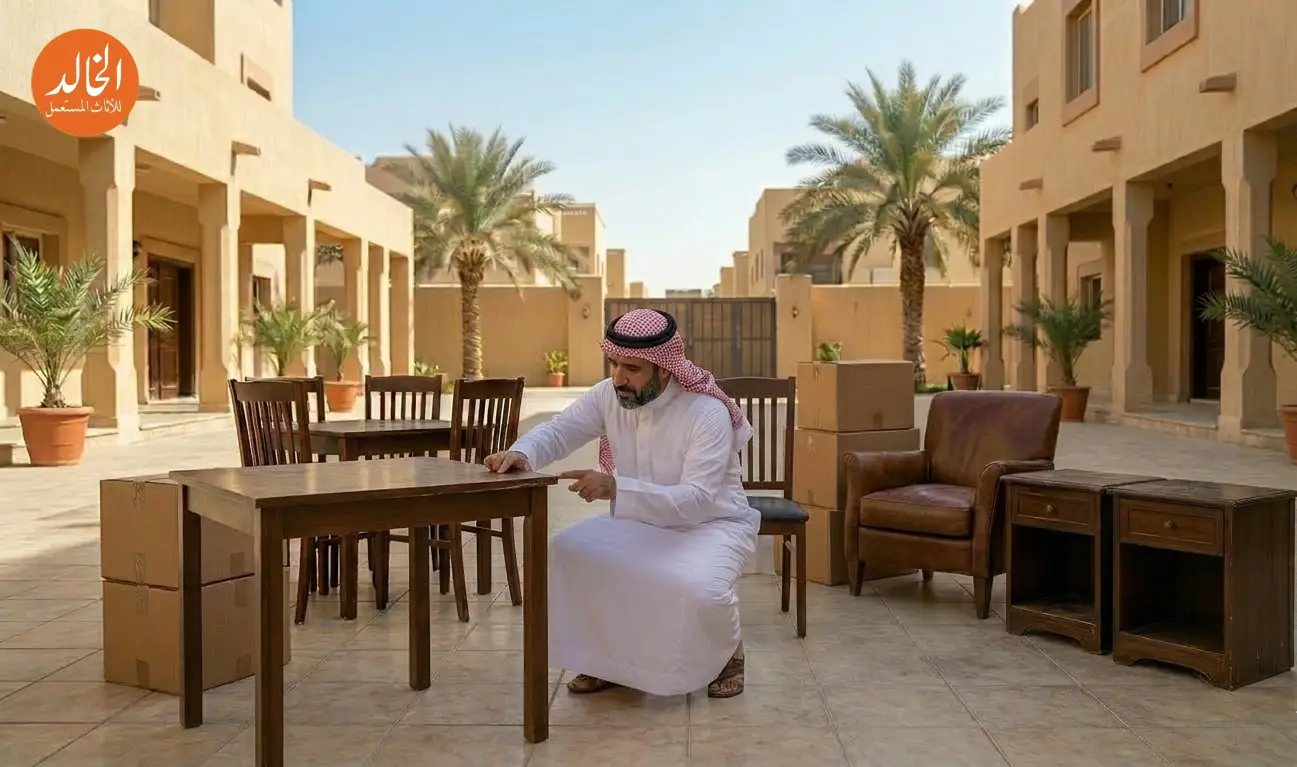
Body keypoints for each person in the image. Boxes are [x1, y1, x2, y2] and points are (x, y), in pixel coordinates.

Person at [484, 308, 759, 699]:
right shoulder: (608, 395)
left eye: (632, 368)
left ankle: (729, 655)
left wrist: (616, 489)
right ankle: (605, 663)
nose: (618, 378)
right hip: (640, 519)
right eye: (613, 363)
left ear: (664, 369)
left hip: (712, 525)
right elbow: (561, 430)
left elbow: (697, 500)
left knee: (701, 589)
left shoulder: (706, 412)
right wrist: (522, 452)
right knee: (571, 550)